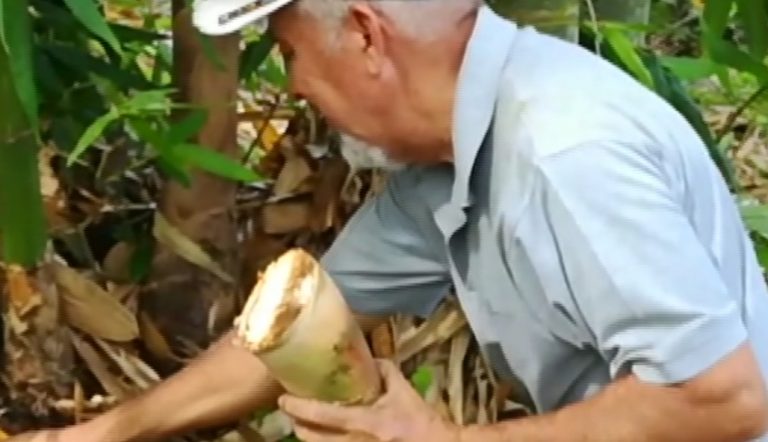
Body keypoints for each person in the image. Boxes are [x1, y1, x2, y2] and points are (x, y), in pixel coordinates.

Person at [13, 0, 768, 440]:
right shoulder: (451, 160)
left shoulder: (564, 152)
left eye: (290, 53)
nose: (297, 85)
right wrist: (103, 433)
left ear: (369, 37)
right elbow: (291, 327)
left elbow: (720, 396)